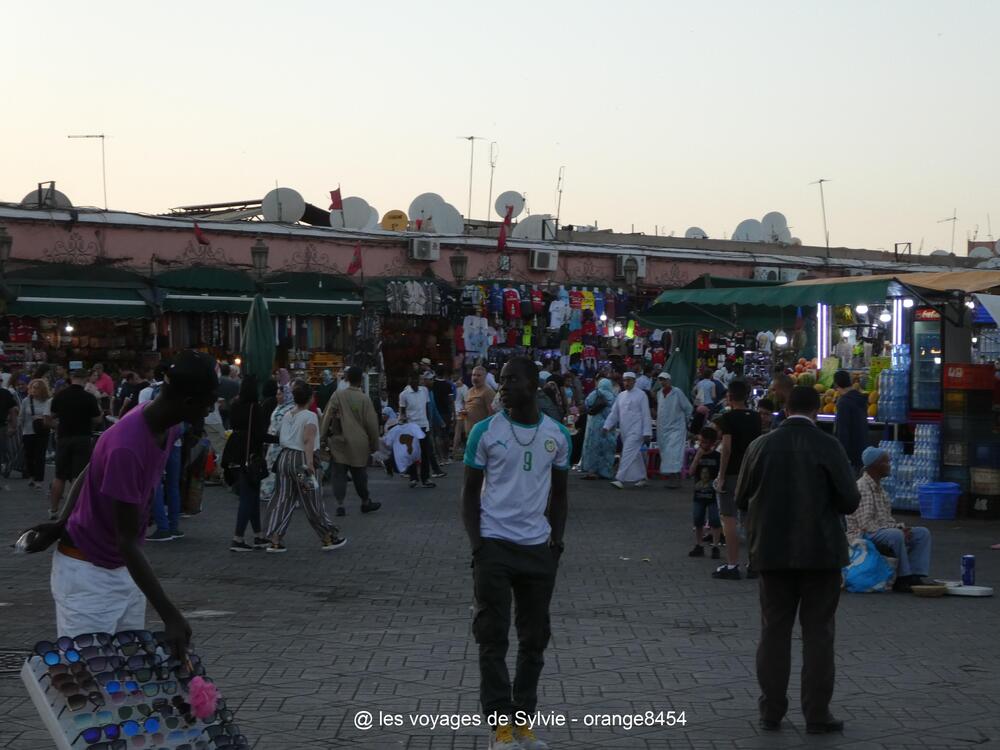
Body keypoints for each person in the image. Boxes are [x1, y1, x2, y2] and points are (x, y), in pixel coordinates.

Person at [19, 351, 220, 651]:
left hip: (123, 571)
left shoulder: (167, 424)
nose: (209, 412)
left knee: (122, 682)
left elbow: (92, 468)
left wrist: (61, 520)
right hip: (89, 575)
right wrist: (171, 615)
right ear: (188, 402)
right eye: (207, 405)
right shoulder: (128, 445)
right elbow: (125, 540)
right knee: (87, 683)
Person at [735, 385, 860, 735]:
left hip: (772, 555)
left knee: (773, 633)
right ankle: (817, 714)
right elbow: (850, 500)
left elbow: (741, 495)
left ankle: (770, 712)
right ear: (818, 409)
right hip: (821, 554)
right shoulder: (829, 445)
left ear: (784, 409)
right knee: (819, 634)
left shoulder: (760, 446)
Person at [463, 356, 570, 750]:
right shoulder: (485, 432)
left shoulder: (557, 434)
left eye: (512, 380)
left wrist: (556, 544)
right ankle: (500, 728)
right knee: (492, 637)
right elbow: (469, 494)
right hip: (494, 546)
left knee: (534, 639)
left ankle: (523, 723)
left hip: (537, 550)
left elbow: (560, 495)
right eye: (501, 380)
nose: (503, 386)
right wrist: (478, 545)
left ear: (534, 385)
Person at [263, 380, 345, 553]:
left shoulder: (287, 415)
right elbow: (308, 441)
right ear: (310, 397)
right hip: (301, 461)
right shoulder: (310, 416)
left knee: (282, 498)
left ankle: (275, 538)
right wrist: (309, 465)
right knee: (312, 499)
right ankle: (328, 537)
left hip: (284, 459)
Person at [847, 447, 935, 592]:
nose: (889, 466)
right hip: (862, 534)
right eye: (886, 462)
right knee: (895, 535)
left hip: (878, 530)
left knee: (922, 533)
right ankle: (902, 577)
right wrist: (895, 530)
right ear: (875, 465)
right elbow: (865, 524)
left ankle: (915, 575)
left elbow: (885, 519)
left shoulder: (880, 489)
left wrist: (900, 527)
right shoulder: (863, 487)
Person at [711, 379, 762, 580]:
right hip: (752, 472)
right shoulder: (756, 418)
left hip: (733, 472)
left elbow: (727, 449)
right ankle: (753, 563)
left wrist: (721, 476)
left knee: (728, 518)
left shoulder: (728, 418)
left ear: (730, 396)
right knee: (749, 518)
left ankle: (732, 564)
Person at [320, 366, 381, 517]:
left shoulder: (338, 395)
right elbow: (372, 424)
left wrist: (322, 437)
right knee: (360, 474)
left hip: (339, 442)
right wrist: (375, 444)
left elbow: (327, 416)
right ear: (361, 380)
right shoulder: (364, 399)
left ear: (346, 379)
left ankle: (340, 504)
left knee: (338, 474)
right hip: (359, 443)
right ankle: (365, 501)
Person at [222, 376, 273, 552]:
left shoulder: (235, 406)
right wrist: (279, 439)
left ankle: (258, 535)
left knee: (250, 496)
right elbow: (259, 435)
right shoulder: (255, 408)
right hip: (251, 455)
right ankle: (238, 538)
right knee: (248, 497)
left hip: (234, 452)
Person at [48, 369, 102, 520]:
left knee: (59, 476)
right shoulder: (89, 397)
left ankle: (53, 510)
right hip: (82, 438)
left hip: (64, 438)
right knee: (77, 477)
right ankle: (72, 510)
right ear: (85, 379)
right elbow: (97, 420)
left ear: (71, 378)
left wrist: (58, 427)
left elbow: (51, 417)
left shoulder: (60, 396)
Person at [603, 372, 652, 489]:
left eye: (629, 380)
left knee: (627, 452)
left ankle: (620, 479)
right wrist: (607, 426)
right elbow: (614, 413)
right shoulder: (621, 395)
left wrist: (647, 433)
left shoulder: (641, 395)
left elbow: (646, 414)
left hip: (637, 430)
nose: (626, 383)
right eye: (625, 380)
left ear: (634, 381)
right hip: (625, 430)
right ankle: (642, 477)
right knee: (635, 455)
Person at [688, 425, 722, 558]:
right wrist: (697, 457)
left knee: (715, 520)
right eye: (701, 441)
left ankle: (715, 545)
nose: (702, 445)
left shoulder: (717, 457)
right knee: (698, 519)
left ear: (713, 443)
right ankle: (699, 544)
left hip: (713, 494)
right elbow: (690, 472)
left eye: (705, 442)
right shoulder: (697, 455)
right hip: (699, 494)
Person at [654, 372, 693, 489]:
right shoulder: (659, 394)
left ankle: (676, 479)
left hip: (676, 428)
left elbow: (688, 408)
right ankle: (671, 478)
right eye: (660, 380)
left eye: (664, 380)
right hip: (663, 428)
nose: (662, 382)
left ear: (669, 381)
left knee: (674, 453)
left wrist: (684, 421)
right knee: (666, 453)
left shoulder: (677, 392)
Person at [399, 372, 436, 488]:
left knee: (425, 453)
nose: (415, 382)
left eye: (417, 379)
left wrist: (429, 423)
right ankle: (413, 477)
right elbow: (402, 411)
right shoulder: (404, 394)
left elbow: (426, 407)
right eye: (413, 379)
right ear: (409, 381)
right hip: (411, 427)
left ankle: (425, 478)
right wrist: (403, 422)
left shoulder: (424, 391)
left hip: (423, 425)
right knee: (412, 453)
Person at [260, 386, 295, 504]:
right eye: (277, 394)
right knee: (272, 468)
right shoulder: (279, 408)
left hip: (284, 445)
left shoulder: (291, 410)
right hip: (274, 444)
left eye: (280, 394)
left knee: (286, 470)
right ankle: (270, 492)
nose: (277, 396)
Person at [579, 378, 617, 480]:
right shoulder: (613, 396)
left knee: (593, 447)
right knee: (606, 449)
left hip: (594, 425)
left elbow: (587, 404)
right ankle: (605, 471)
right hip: (608, 425)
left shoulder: (595, 393)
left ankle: (591, 471)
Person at [833, 370, 869, 475]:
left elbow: (842, 431)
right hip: (862, 450)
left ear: (836, 384)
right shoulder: (860, 398)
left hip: (850, 455)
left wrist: (841, 455)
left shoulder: (843, 403)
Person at [20, 378, 52, 491]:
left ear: (42, 389)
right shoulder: (26, 401)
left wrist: (42, 418)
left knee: (40, 456)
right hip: (28, 431)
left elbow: (51, 415)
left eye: (37, 388)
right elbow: (22, 416)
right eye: (32, 387)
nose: (34, 390)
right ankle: (32, 476)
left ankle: (39, 480)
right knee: (29, 456)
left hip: (42, 432)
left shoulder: (48, 401)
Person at [431, 365, 455, 463]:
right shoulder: (448, 385)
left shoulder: (432, 384)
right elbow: (451, 400)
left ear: (435, 373)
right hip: (446, 413)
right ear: (444, 373)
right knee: (445, 435)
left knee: (437, 435)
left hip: (435, 412)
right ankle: (446, 457)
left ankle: (439, 457)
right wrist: (453, 413)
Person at [451, 371, 470, 460]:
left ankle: (455, 450)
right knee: (461, 431)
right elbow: (466, 400)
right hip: (461, 411)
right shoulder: (463, 387)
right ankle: (455, 452)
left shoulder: (452, 385)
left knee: (457, 431)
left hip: (453, 410)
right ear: (461, 377)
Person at [216, 363, 241, 429]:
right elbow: (237, 396)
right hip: (230, 407)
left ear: (221, 371)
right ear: (229, 372)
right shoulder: (235, 383)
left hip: (218, 407)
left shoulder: (216, 382)